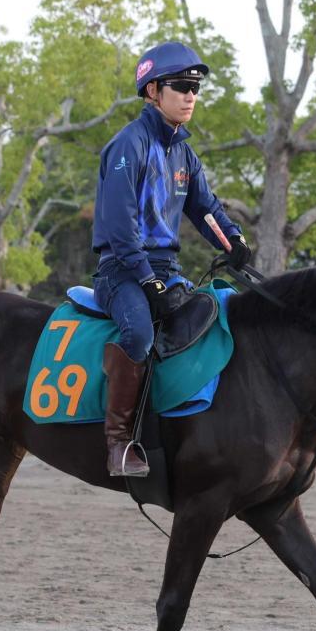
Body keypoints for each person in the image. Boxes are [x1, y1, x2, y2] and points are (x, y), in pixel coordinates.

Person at [92, 41, 252, 477]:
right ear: (152, 91)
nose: (191, 95)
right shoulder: (129, 145)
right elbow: (122, 227)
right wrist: (147, 281)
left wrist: (234, 243)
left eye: (196, 87)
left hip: (166, 272)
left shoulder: (185, 154)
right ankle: (119, 443)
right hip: (122, 272)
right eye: (182, 85)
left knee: (215, 318)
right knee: (141, 334)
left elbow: (206, 209)